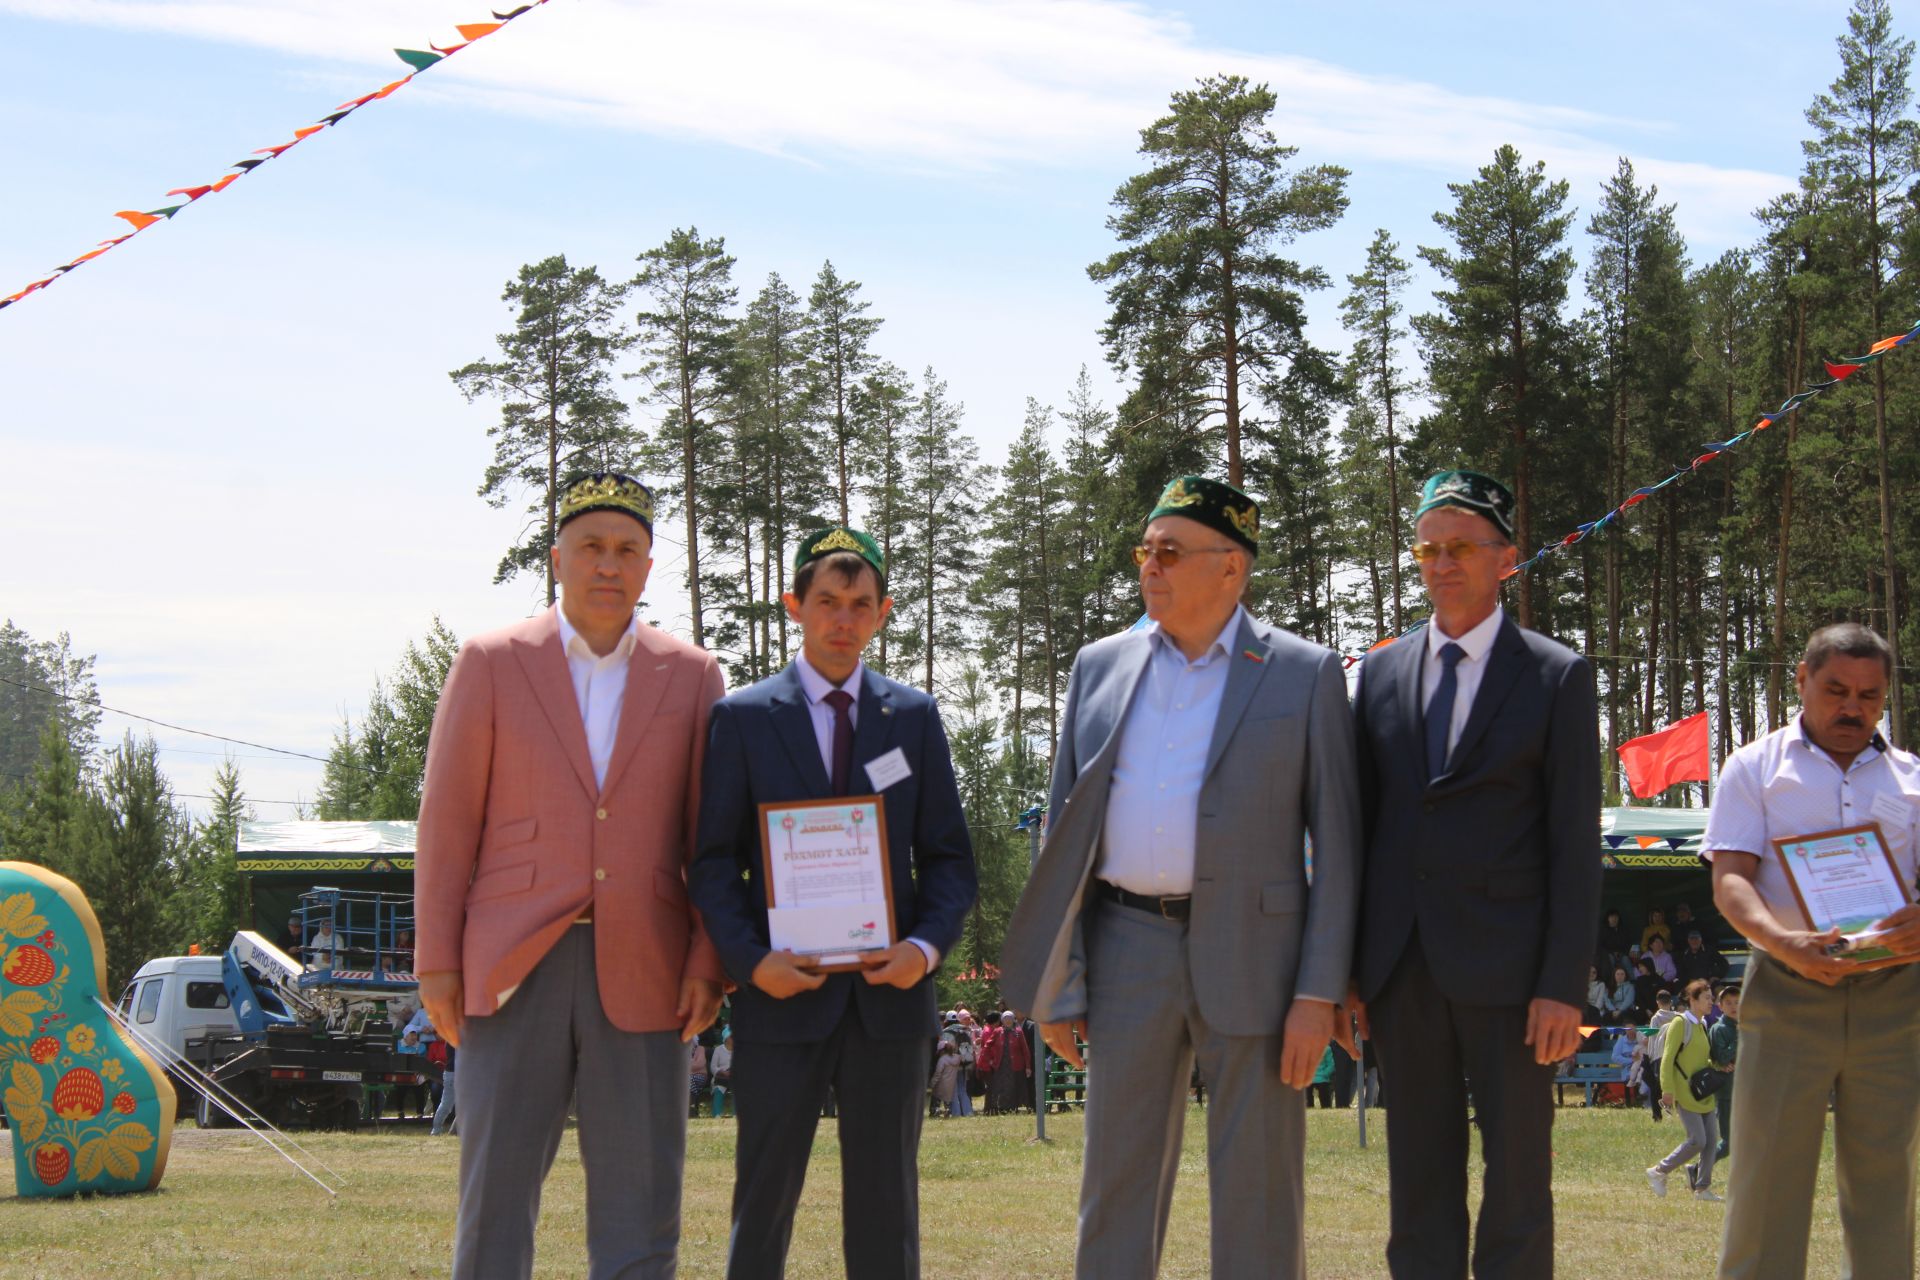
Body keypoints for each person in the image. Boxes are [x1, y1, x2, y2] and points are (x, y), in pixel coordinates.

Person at [999, 475, 1362, 1279]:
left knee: (1262, 1197)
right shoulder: (1098, 667)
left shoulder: (1302, 673)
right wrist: (1059, 983)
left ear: (1230, 567)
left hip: (1261, 962)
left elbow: (1339, 846)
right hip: (1125, 945)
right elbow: (1064, 834)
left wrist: (1317, 992)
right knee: (1115, 1188)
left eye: (1169, 552)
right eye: (1145, 552)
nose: (1148, 568)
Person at [415, 471, 727, 1280]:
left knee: (642, 1207)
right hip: (513, 964)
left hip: (648, 970)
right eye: (591, 546)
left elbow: (710, 838)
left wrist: (706, 961)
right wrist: (437, 961)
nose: (608, 565)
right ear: (558, 557)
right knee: (494, 1203)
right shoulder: (490, 662)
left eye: (627, 550)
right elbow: (447, 824)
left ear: (650, 568)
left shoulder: (692, 675)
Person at [688, 526, 977, 1280]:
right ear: (794, 606)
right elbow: (712, 862)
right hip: (781, 999)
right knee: (763, 1204)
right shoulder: (744, 718)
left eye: (860, 604)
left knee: (888, 1210)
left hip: (890, 1002)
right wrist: (751, 964)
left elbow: (948, 859)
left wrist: (924, 950)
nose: (842, 620)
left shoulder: (911, 718)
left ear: (882, 613)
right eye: (827, 602)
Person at [1348, 470, 1601, 1280]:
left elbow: (1572, 842)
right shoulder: (1379, 675)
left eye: (1461, 545)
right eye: (1428, 546)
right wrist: (1354, 971)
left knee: (1519, 1182)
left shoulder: (1557, 675)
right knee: (1416, 1181)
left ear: (1507, 559)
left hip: (1516, 979)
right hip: (1401, 969)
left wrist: (1564, 982)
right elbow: (1362, 831)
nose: (1441, 561)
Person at [1703, 622, 1920, 1279]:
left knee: (1888, 1185)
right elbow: (1730, 878)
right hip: (1787, 986)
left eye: (1870, 695)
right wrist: (1782, 943)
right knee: (1767, 1177)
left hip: (1896, 997)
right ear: (1800, 679)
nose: (1853, 707)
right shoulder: (1754, 768)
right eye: (1836, 690)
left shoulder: (1913, 777)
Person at [1645, 978, 1723, 1202]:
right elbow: (1667, 1059)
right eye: (1707, 998)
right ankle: (1659, 1171)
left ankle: (1702, 1188)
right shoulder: (1681, 1023)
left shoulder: (1703, 1024)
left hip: (1703, 1091)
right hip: (1684, 1092)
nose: (1711, 1002)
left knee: (1711, 1140)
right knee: (1698, 1140)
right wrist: (1667, 1091)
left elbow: (1701, 1057)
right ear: (1692, 999)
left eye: (1711, 998)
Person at [1706, 983, 1738, 1161]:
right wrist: (1739, 1037)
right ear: (1721, 1006)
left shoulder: (1745, 1027)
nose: (1734, 1006)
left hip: (1745, 1091)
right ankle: (1697, 1170)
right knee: (1728, 1142)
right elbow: (1723, 1058)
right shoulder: (1719, 1029)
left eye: (1737, 1002)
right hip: (1727, 1092)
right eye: (1729, 1003)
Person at [979, 1011, 1030, 1114]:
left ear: (1013, 1019)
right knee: (1000, 1086)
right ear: (1002, 1020)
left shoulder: (1018, 1032)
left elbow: (1025, 1050)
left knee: (1013, 1086)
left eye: (1010, 1019)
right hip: (1001, 1064)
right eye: (1006, 1019)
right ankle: (1000, 1107)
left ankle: (1013, 1107)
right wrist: (988, 1059)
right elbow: (988, 1045)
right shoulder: (998, 1031)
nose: (1008, 1021)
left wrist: (1028, 1066)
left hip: (1015, 1065)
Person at [430, 1041, 458, 1136]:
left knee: (446, 1104)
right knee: (447, 1105)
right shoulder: (455, 1039)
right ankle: (436, 1130)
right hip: (455, 1073)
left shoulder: (450, 1037)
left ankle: (451, 1130)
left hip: (451, 1073)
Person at [930, 1040, 962, 1117]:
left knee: (936, 1097)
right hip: (951, 1084)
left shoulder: (942, 1060)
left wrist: (932, 1083)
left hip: (941, 1083)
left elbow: (938, 1073)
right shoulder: (957, 1058)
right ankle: (948, 1111)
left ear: (942, 1051)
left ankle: (935, 1111)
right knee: (947, 1100)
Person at [709, 1030, 735, 1119]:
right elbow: (713, 1067)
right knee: (718, 1090)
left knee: (738, 1090)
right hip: (721, 1078)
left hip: (735, 1078)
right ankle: (717, 1115)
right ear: (726, 1038)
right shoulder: (718, 1049)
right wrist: (722, 1072)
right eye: (732, 1036)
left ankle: (736, 1115)